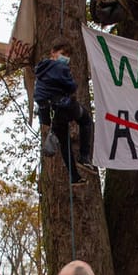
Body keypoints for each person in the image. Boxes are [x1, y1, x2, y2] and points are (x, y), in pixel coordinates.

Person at [33, 42, 95, 184]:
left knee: (65, 142)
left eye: (67, 55)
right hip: (62, 107)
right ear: (53, 52)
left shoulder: (41, 69)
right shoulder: (59, 66)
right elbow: (71, 86)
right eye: (63, 53)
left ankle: (74, 177)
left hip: (46, 113)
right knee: (86, 120)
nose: (65, 58)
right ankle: (84, 156)